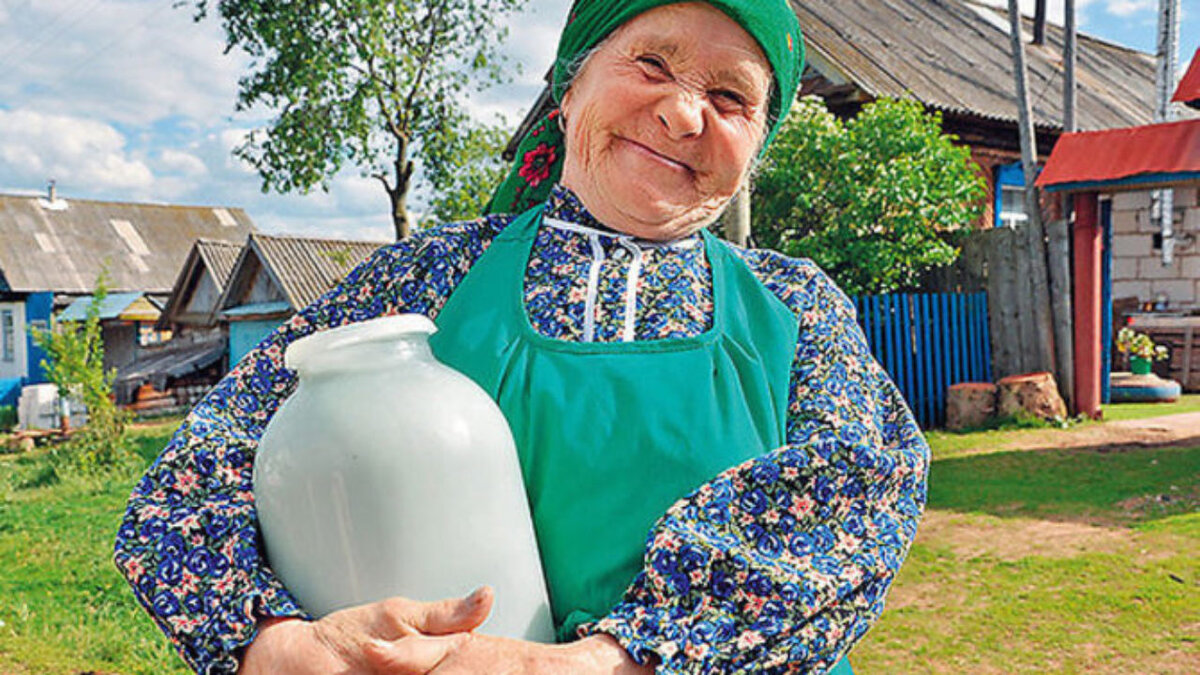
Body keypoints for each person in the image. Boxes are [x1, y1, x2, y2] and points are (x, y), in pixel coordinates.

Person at [114, 1, 929, 673]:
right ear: (568, 91)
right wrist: (278, 646)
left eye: (731, 98)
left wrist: (600, 662)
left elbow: (855, 499)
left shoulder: (796, 307)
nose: (685, 112)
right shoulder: (423, 280)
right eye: (651, 64)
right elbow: (186, 490)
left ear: (756, 146)